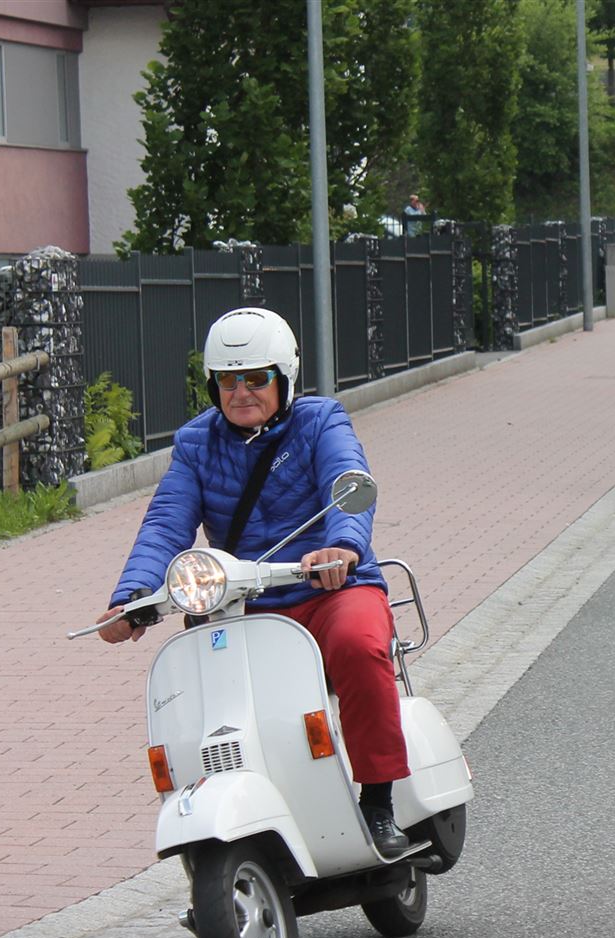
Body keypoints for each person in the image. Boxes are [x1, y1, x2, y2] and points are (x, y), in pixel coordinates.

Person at [95, 307, 421, 858]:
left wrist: (343, 547)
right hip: (243, 603)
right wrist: (131, 597)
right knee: (199, 688)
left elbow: (348, 480)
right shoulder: (196, 443)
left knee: (359, 645)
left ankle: (378, 800)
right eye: (228, 380)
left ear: (284, 377)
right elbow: (167, 522)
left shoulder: (320, 421)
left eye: (256, 378)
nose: (241, 392)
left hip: (328, 589)